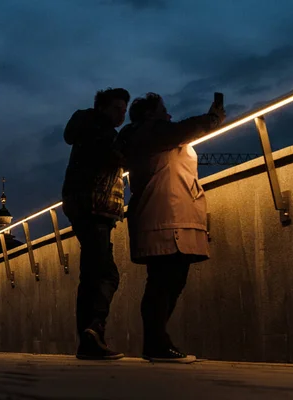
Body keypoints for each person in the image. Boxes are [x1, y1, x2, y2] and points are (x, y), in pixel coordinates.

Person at [117, 93, 225, 363]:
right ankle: (156, 344)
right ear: (149, 115)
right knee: (164, 282)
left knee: (165, 281)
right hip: (167, 216)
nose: (168, 115)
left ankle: (157, 342)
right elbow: (183, 129)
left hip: (162, 216)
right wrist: (212, 118)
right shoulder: (152, 133)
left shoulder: (142, 137)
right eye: (163, 111)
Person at [61, 88, 130, 360]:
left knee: (90, 274)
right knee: (106, 274)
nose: (121, 114)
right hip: (95, 208)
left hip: (81, 206)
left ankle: (88, 340)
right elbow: (119, 158)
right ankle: (93, 330)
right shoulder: (102, 133)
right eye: (116, 108)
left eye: (124, 109)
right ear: (102, 108)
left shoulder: (86, 129)